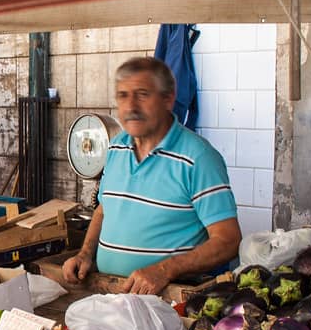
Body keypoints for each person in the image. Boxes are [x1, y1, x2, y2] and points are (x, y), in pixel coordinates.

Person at [63, 57, 241, 295]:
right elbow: (104, 210)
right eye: (123, 95)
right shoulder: (116, 147)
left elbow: (228, 240)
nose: (131, 107)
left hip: (168, 302)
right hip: (108, 293)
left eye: (143, 95)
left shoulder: (198, 158)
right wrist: (85, 254)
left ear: (168, 98)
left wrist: (165, 270)